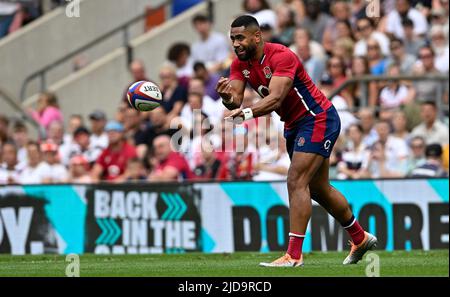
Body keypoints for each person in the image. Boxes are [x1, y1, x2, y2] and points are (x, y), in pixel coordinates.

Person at [217, 15, 377, 267]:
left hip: (317, 118)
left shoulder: (281, 56)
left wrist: (246, 113)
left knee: (296, 180)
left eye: (240, 37)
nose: (235, 43)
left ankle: (293, 255)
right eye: (232, 38)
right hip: (294, 125)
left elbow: (276, 98)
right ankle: (360, 237)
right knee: (318, 189)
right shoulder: (240, 64)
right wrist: (227, 98)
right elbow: (235, 100)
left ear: (256, 36)